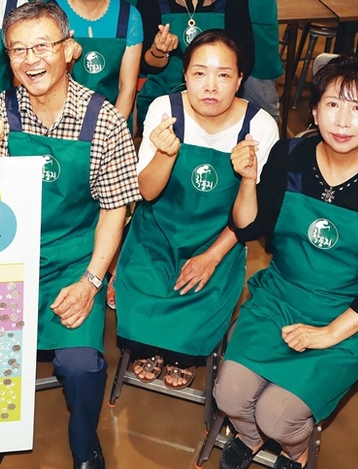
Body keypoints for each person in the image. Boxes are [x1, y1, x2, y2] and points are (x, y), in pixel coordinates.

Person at [215, 55, 358, 469]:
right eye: (332, 104)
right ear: (314, 109)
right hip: (280, 299)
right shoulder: (288, 155)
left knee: (278, 416)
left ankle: (297, 451)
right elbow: (250, 228)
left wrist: (327, 334)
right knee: (229, 396)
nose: (342, 121)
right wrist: (248, 181)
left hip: (346, 316)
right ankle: (250, 438)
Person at [0, 0, 140, 469]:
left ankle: (85, 441)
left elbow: (114, 210)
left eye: (43, 46)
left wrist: (90, 282)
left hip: (73, 259)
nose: (31, 60)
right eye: (18, 50)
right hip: (7, 258)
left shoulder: (104, 120)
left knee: (80, 365)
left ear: (69, 50)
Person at [116, 31, 277, 390]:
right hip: (156, 234)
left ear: (240, 79)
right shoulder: (165, 111)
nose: (210, 86)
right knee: (142, 303)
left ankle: (179, 354)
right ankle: (155, 347)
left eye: (223, 75)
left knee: (197, 308)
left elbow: (248, 223)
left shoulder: (259, 127)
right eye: (200, 73)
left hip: (218, 239)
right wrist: (165, 154)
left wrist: (212, 256)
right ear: (185, 75)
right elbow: (146, 192)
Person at [54, 0, 142, 121]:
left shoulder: (129, 17)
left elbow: (126, 88)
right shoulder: (50, 15)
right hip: (59, 121)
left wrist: (111, 131)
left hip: (113, 120)